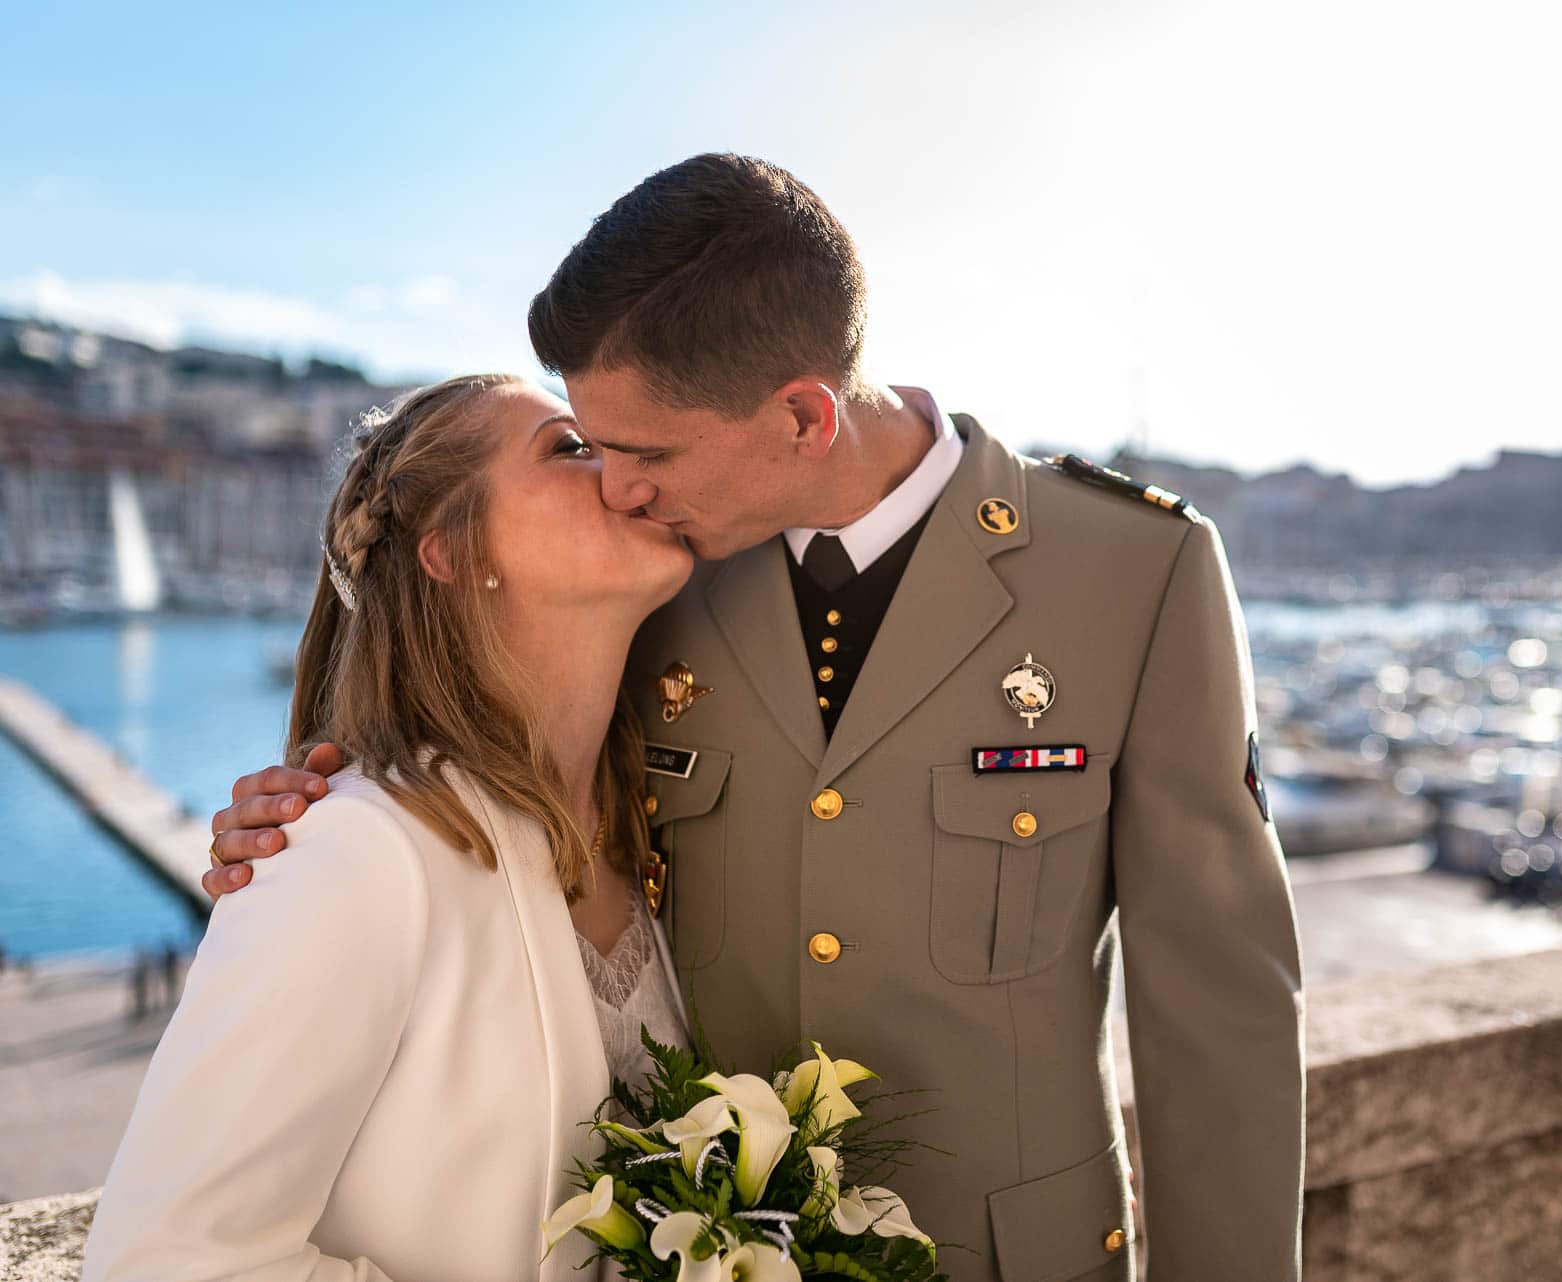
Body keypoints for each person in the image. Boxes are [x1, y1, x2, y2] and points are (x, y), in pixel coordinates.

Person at [208, 154, 1305, 1281]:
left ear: (800, 415)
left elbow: (1222, 1022)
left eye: (645, 451)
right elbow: (493, 742)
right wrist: (310, 814)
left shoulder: (1133, 569)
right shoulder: (651, 579)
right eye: (595, 445)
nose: (616, 488)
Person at [84, 374, 693, 1281]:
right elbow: (162, 1261)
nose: (624, 468)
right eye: (570, 447)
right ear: (452, 552)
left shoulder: (655, 820)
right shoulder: (354, 851)